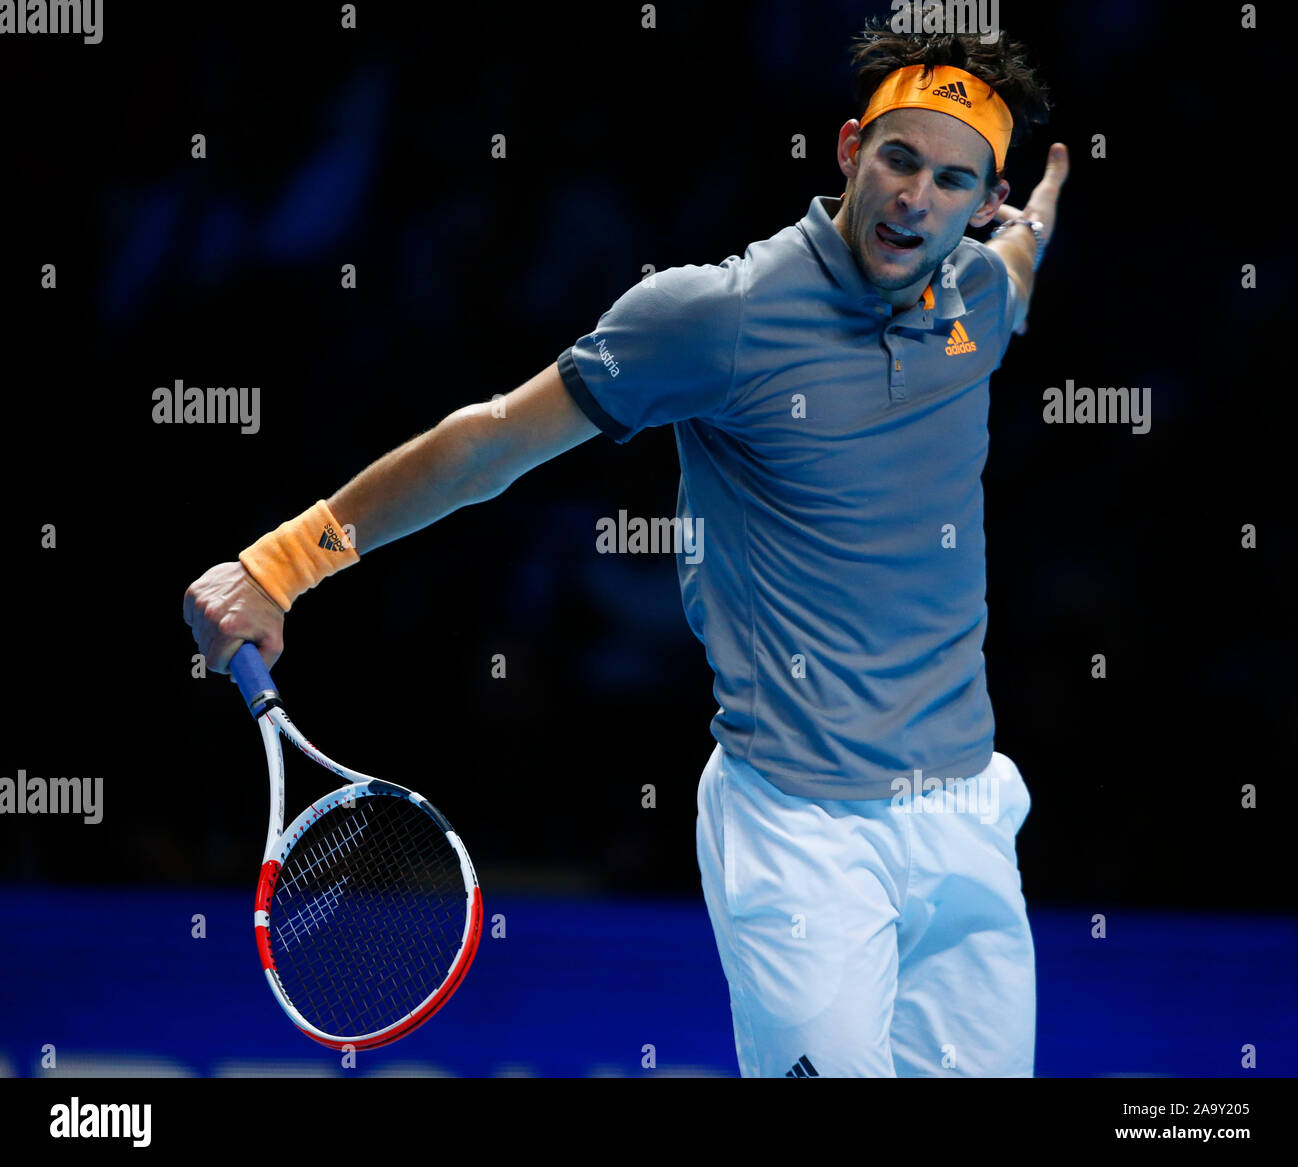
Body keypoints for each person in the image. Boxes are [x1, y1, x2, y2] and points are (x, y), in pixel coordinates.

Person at [185, 19, 1067, 1077]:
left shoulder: (977, 297)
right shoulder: (717, 315)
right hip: (803, 836)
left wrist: (1035, 223)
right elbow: (491, 444)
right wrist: (280, 565)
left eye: (952, 180)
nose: (916, 197)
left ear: (986, 200)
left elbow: (1017, 266)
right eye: (899, 159)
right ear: (848, 150)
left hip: (966, 814)